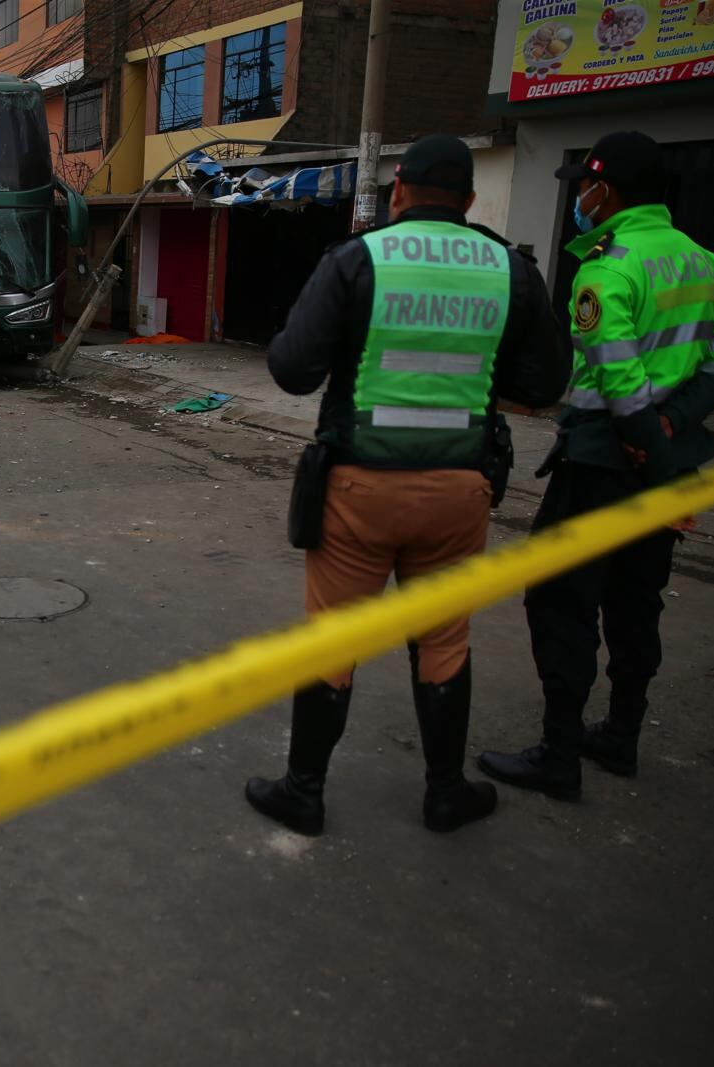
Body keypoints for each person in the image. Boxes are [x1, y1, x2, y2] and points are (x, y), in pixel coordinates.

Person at [242, 134, 569, 836]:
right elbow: (545, 383)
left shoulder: (359, 259)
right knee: (444, 638)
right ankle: (446, 790)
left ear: (397, 191)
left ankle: (304, 791)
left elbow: (293, 369)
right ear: (470, 200)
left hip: (361, 485)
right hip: (459, 490)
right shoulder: (509, 269)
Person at [478, 131, 714, 799]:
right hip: (666, 454)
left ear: (609, 191)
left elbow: (620, 382)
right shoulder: (703, 261)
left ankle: (559, 755)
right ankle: (620, 736)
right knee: (636, 599)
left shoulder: (606, 268)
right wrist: (670, 432)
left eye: (585, 187)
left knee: (560, 599)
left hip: (604, 458)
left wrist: (644, 440)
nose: (579, 199)